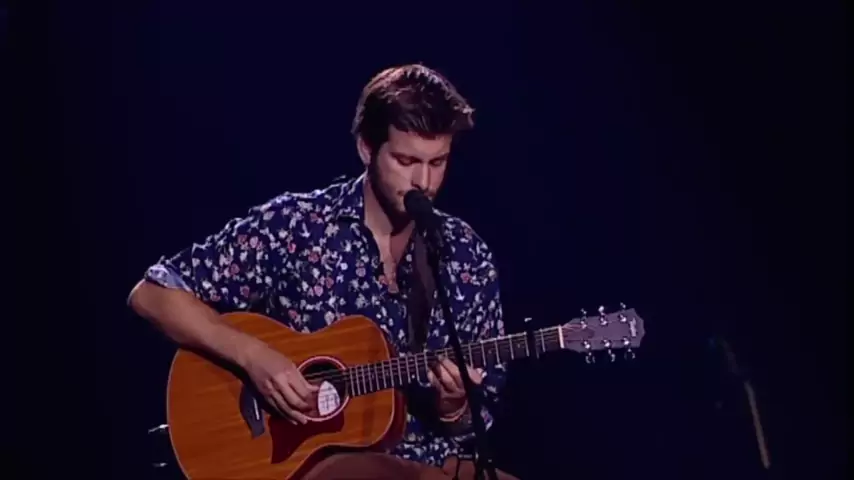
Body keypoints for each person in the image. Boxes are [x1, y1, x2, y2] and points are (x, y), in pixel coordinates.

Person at [128, 64, 518, 480]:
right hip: (312, 464)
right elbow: (153, 294)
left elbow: (474, 423)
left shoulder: (466, 255)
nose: (423, 181)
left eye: (437, 162)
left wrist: (455, 407)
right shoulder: (298, 226)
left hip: (434, 464)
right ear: (367, 148)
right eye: (406, 160)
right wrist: (254, 356)